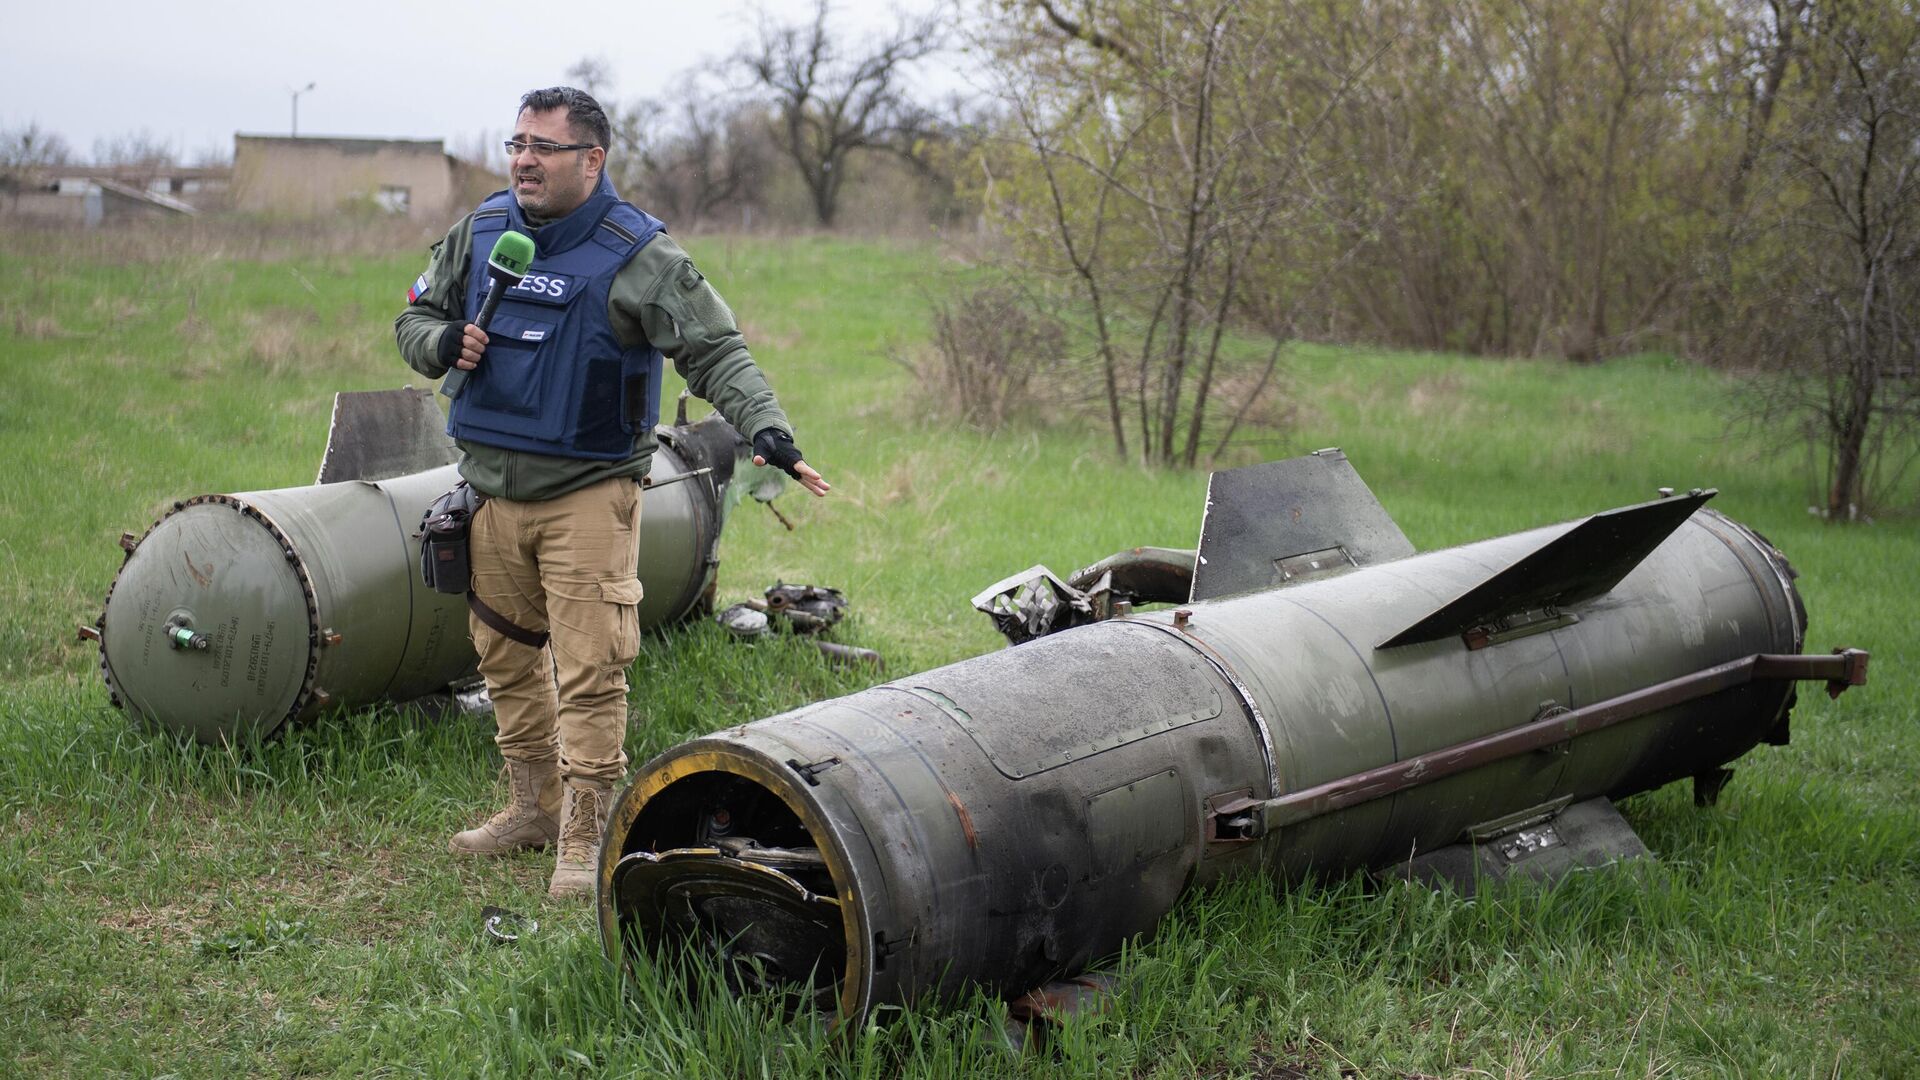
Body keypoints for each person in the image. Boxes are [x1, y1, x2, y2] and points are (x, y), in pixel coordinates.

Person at [395, 86, 830, 899]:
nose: (523, 159)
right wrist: (445, 340)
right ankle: (534, 809)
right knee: (504, 657)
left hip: (589, 493)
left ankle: (587, 835)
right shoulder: (484, 231)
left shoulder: (640, 255)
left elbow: (715, 350)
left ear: (592, 160)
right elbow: (412, 323)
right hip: (488, 487)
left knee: (591, 668)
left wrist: (768, 431)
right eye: (516, 143)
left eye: (543, 148)